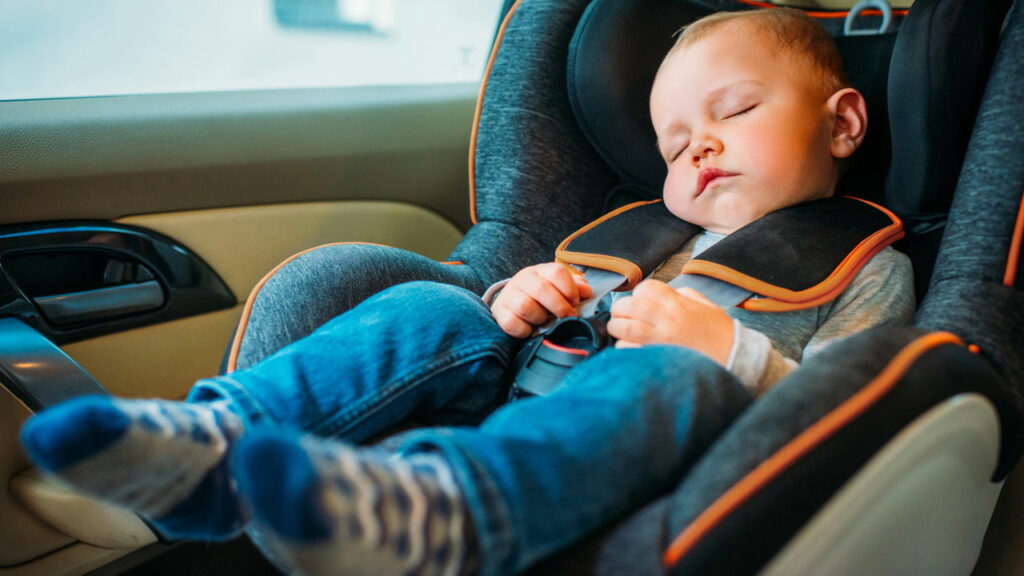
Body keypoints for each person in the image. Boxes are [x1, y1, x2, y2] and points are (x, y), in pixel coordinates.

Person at [20, 8, 914, 576]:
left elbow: (858, 405)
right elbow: (516, 324)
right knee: (438, 307)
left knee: (663, 377)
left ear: (840, 123)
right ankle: (213, 448)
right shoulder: (643, 236)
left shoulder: (867, 264)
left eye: (736, 111)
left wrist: (728, 352)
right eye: (676, 145)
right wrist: (519, 302)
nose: (700, 149)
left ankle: (447, 515)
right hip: (522, 389)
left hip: (682, 441)